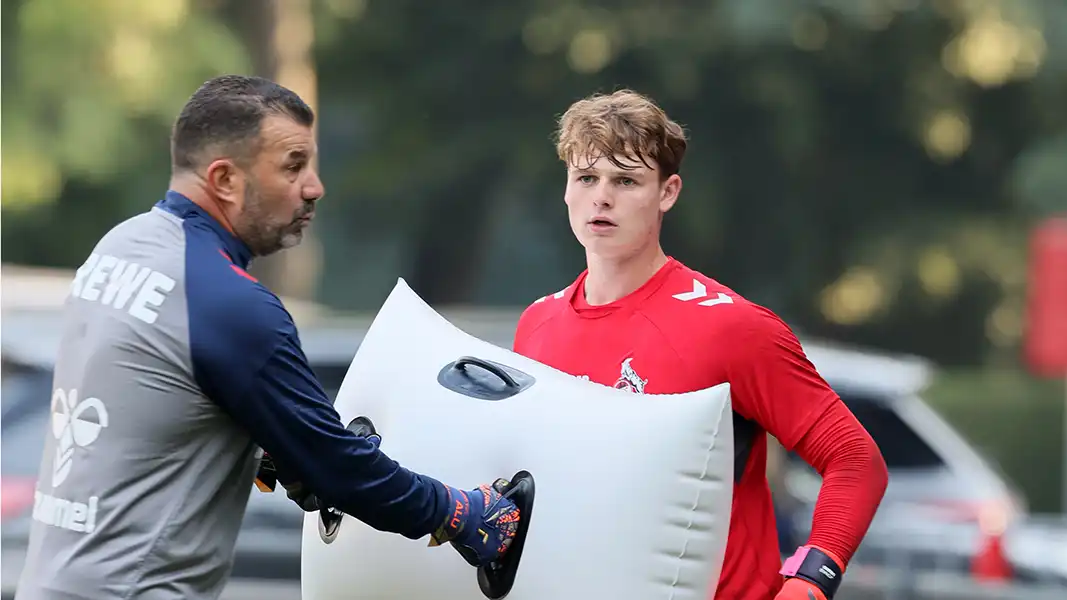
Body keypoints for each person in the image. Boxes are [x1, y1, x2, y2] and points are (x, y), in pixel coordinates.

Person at [15, 75, 519, 600]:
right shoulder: (229, 304)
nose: (314, 186)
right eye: (293, 165)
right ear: (226, 180)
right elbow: (340, 467)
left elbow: (157, 396)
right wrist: (462, 515)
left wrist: (262, 447)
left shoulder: (119, 248)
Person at [512, 89, 889, 600]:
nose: (602, 197)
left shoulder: (731, 327)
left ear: (667, 193)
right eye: (586, 178)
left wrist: (808, 581)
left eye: (625, 180)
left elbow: (855, 460)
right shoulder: (537, 324)